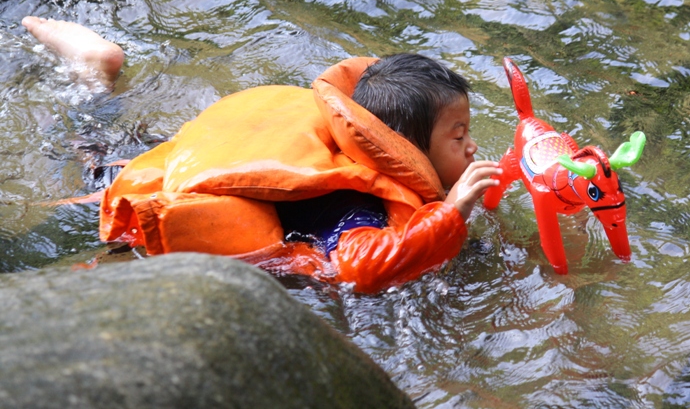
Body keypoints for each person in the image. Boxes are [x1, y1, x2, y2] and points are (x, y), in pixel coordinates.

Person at [22, 17, 502, 293]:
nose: (473, 147)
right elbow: (359, 268)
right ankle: (91, 71)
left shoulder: (354, 155)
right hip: (144, 189)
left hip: (196, 161)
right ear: (404, 147)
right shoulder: (356, 204)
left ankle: (96, 77)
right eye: (458, 137)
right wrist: (450, 213)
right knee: (83, 150)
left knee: (109, 135)